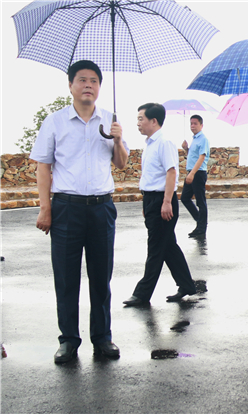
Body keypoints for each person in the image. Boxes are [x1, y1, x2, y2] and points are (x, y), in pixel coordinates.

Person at [30, 60, 129, 363]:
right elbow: (43, 167)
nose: (88, 85)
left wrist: (117, 139)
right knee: (66, 278)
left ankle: (102, 338)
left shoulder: (110, 119)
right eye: (82, 80)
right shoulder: (55, 121)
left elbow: (121, 164)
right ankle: (69, 340)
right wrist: (45, 209)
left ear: (99, 87)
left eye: (94, 81)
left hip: (101, 208)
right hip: (66, 209)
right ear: (71, 85)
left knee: (101, 277)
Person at [123, 103, 197, 306]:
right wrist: (145, 202)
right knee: (168, 247)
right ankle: (187, 285)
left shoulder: (164, 143)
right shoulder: (149, 144)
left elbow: (171, 172)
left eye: (141, 119)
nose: (138, 123)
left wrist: (166, 202)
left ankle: (142, 294)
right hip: (151, 199)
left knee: (156, 248)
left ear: (153, 121)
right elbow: (150, 176)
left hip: (162, 200)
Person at [181, 114, 210, 239]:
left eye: (195, 123)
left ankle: (201, 228)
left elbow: (202, 157)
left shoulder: (203, 139)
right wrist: (186, 149)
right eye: (191, 123)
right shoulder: (194, 139)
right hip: (192, 172)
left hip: (198, 173)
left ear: (201, 125)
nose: (192, 126)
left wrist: (192, 174)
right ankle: (200, 221)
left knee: (200, 201)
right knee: (184, 198)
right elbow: (193, 156)